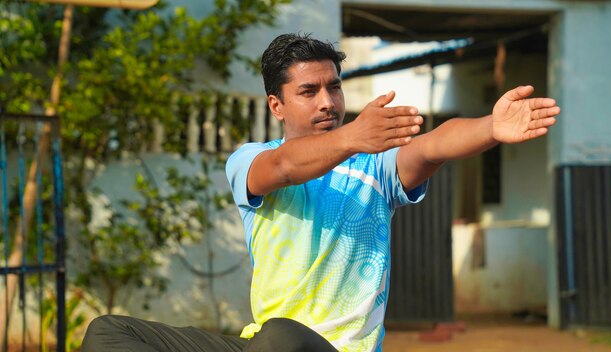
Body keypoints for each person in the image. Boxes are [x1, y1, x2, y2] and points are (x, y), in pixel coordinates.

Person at [82, 33, 559, 352]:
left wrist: (491, 127)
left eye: (334, 87)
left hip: (325, 349)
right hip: (261, 344)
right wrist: (354, 136)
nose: (329, 102)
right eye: (310, 91)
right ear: (277, 104)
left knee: (283, 339)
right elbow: (285, 167)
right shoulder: (249, 160)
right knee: (108, 332)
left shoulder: (377, 168)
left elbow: (432, 146)